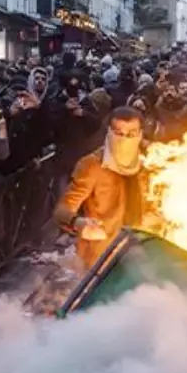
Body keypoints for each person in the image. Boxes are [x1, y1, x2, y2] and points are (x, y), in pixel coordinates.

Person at [53, 107, 152, 269]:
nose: (124, 139)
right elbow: (61, 210)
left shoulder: (151, 162)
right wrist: (78, 222)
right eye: (119, 133)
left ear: (140, 134)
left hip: (142, 253)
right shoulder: (92, 165)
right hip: (102, 258)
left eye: (131, 134)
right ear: (109, 132)